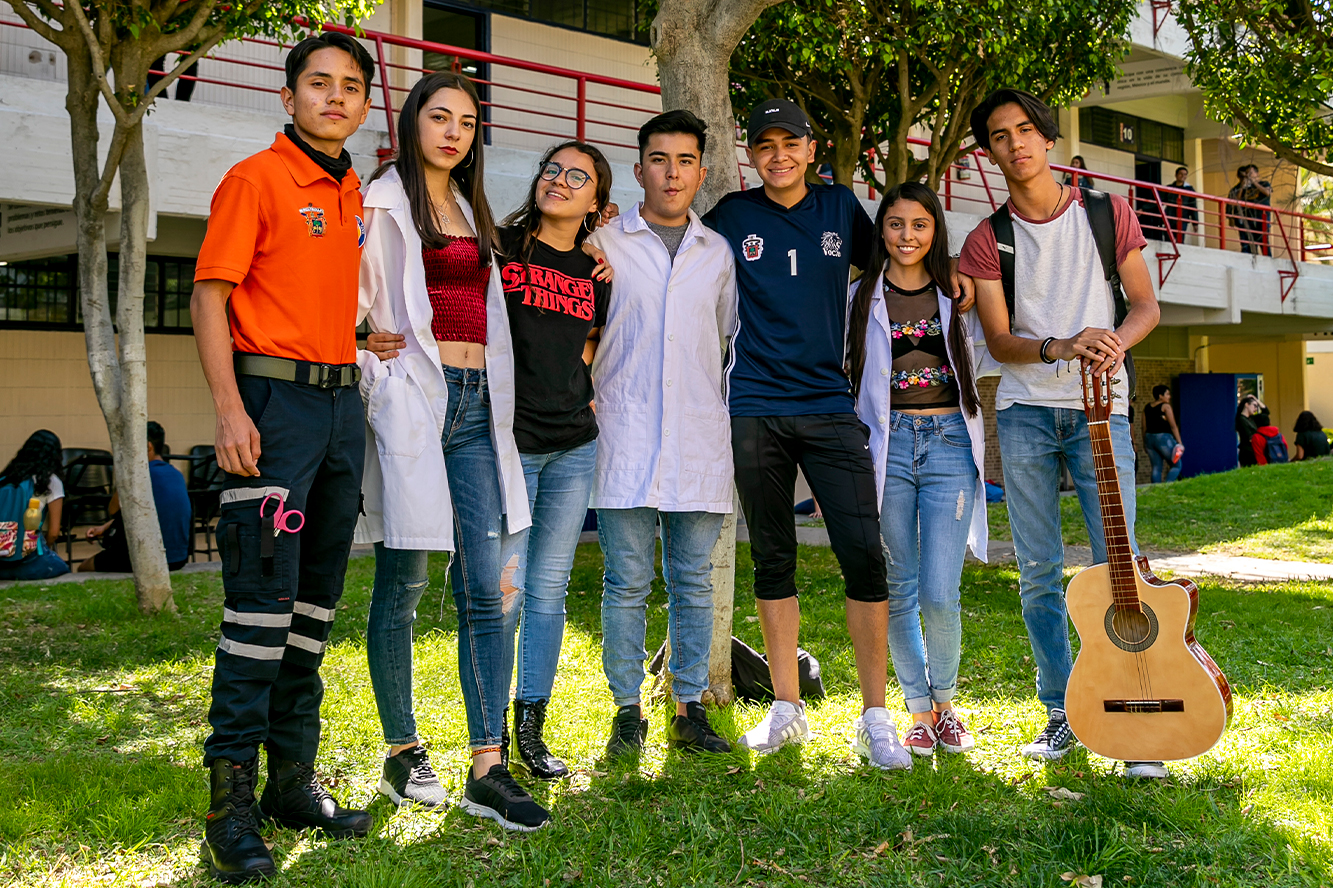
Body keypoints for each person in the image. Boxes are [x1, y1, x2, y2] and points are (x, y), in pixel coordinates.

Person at [189, 32, 376, 882]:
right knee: (259, 610)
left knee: (313, 608)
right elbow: (210, 294)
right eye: (318, 84)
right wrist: (230, 409)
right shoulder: (255, 180)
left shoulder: (350, 191)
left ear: (365, 105)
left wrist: (365, 336)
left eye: (349, 87)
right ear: (289, 95)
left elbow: (315, 294)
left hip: (342, 408)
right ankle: (227, 809)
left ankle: (289, 785)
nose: (334, 98)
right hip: (273, 409)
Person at [959, 88, 1165, 779]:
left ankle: (1139, 720)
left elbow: (1143, 306)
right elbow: (997, 339)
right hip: (1023, 411)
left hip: (1099, 409)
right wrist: (1058, 346)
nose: (1013, 143)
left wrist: (1112, 342)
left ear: (1045, 138)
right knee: (1039, 572)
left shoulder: (1106, 214)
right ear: (987, 152)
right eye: (997, 136)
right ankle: (1062, 710)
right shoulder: (988, 239)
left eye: (1023, 130)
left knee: (1122, 570)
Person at [701, 99, 899, 764]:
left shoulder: (841, 208)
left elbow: (894, 267)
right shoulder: (731, 216)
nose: (778, 155)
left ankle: (875, 717)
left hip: (828, 403)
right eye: (764, 145)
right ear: (750, 155)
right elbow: (681, 263)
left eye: (791, 143)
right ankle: (786, 708)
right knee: (773, 556)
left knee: (864, 554)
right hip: (753, 404)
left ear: (811, 149)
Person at [587, 110, 737, 760]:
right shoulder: (605, 243)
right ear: (639, 166)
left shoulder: (718, 254)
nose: (671, 173)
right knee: (624, 581)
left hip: (700, 439)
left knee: (693, 581)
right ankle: (626, 709)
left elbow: (725, 340)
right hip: (622, 431)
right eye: (658, 159)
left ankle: (687, 707)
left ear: (700, 171)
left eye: (683, 161)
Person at [847, 182, 991, 764]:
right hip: (888, 447)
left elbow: (983, 353)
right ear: (882, 230)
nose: (908, 236)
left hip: (950, 442)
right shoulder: (859, 295)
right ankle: (919, 713)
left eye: (920, 225)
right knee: (898, 588)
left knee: (939, 590)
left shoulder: (956, 294)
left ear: (935, 232)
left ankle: (948, 703)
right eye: (897, 224)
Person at [491, 140, 614, 780]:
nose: (560, 181)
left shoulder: (597, 274)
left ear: (596, 200)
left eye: (578, 178)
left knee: (548, 591)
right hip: (509, 442)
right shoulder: (500, 247)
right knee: (503, 591)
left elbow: (590, 348)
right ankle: (488, 734)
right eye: (552, 170)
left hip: (573, 447)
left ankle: (531, 727)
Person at [78, 421, 192, 572]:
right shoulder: (176, 474)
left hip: (143, 560)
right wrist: (104, 528)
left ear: (147, 446)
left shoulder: (137, 474)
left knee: (84, 567)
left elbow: (113, 509)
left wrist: (125, 471)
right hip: (178, 559)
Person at [0, 430, 69, 582]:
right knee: (63, 568)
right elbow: (53, 533)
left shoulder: (7, 477)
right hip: (30, 560)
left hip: (1, 561)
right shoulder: (51, 481)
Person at [1142, 385, 1183, 483]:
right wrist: (1179, 442)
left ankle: (1156, 490)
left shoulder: (1146, 408)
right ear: (1161, 396)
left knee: (1156, 467)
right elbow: (1173, 426)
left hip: (1149, 438)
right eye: (1167, 394)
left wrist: (1145, 443)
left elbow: (1143, 427)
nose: (1169, 397)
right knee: (1176, 465)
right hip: (1163, 438)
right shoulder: (1166, 406)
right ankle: (1167, 486)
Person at [1228, 165, 1272, 255]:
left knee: (1264, 244)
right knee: (1251, 246)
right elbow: (1236, 201)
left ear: (1257, 173)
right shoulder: (1244, 188)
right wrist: (1242, 186)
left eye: (1251, 173)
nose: (1249, 175)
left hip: (1262, 219)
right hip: (1249, 220)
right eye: (1247, 174)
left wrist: (1254, 183)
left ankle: (1269, 264)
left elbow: (1267, 192)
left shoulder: (1264, 184)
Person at [1164, 166, 1198, 238]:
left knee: (1180, 239)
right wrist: (1143, 209)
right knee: (1168, 238)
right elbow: (1159, 200)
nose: (1183, 176)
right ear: (1176, 175)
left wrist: (1195, 223)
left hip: (1183, 218)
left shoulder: (1189, 190)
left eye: (1185, 174)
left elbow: (1193, 206)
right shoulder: (1169, 188)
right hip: (1169, 217)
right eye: (1181, 174)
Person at [1236, 395, 1264, 467]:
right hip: (1247, 452)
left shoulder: (1252, 419)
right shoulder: (1241, 420)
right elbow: (1249, 437)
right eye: (1254, 405)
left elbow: (1266, 411)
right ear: (1247, 405)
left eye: (1257, 406)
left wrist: (1256, 400)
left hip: (1254, 450)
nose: (1256, 408)